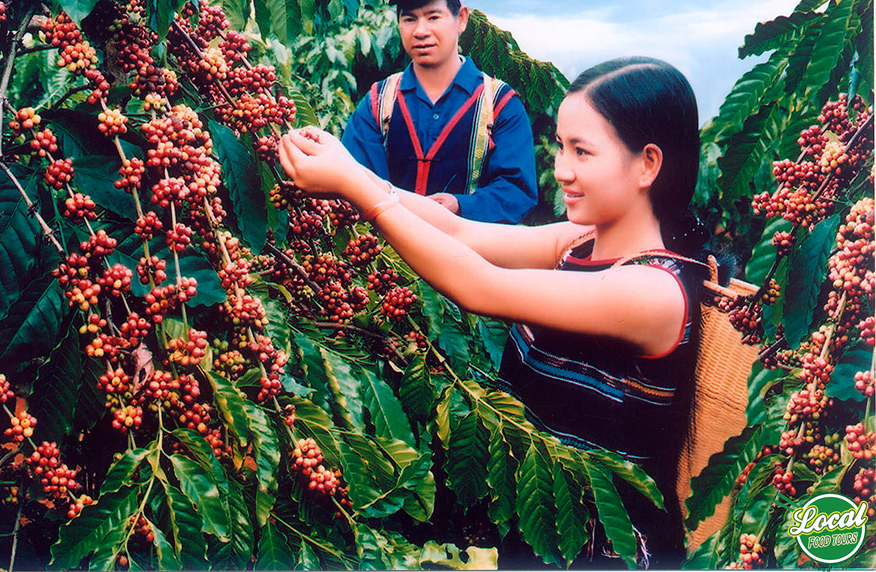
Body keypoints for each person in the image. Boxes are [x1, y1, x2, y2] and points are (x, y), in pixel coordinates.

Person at [279, 56, 710, 566]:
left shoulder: (652, 291)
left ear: (648, 164)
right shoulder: (578, 243)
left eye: (583, 152)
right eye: (560, 146)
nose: (561, 169)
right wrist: (352, 172)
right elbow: (458, 233)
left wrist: (358, 191)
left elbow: (481, 286)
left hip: (603, 552)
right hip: (543, 533)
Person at [341, 0, 538, 224]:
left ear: (461, 19)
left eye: (433, 17)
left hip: (470, 259)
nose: (420, 31)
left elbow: (518, 190)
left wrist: (461, 205)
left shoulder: (500, 104)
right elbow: (354, 178)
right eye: (409, 19)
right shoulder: (378, 101)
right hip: (385, 258)